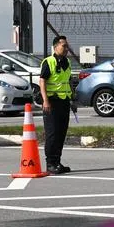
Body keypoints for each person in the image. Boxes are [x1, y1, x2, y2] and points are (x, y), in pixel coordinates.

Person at [39, 34, 75, 174]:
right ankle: (50, 163)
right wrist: (45, 100)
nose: (66, 48)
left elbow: (68, 81)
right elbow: (42, 81)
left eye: (67, 46)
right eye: (63, 46)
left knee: (61, 133)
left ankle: (57, 162)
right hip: (52, 102)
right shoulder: (49, 62)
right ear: (55, 47)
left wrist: (72, 98)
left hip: (64, 101)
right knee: (52, 134)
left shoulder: (67, 62)